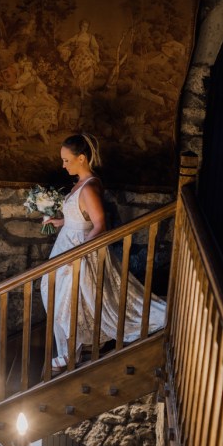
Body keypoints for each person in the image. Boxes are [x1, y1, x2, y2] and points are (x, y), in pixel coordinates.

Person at [40, 133, 166, 374]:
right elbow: (82, 216)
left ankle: (69, 353)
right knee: (59, 294)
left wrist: (81, 253)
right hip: (68, 242)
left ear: (82, 158)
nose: (63, 165)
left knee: (67, 300)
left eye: (67, 160)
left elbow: (99, 225)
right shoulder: (82, 181)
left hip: (80, 248)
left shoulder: (89, 186)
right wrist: (61, 221)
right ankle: (70, 349)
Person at [57, 20, 100, 98]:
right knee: (81, 72)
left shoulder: (90, 36)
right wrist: (62, 45)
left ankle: (86, 90)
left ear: (88, 27)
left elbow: (95, 47)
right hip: (79, 55)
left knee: (90, 70)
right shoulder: (77, 36)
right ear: (80, 26)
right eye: (83, 26)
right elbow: (69, 41)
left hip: (87, 55)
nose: (84, 28)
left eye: (86, 26)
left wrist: (97, 56)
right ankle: (82, 92)